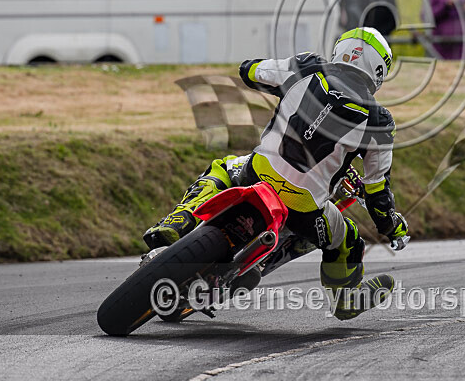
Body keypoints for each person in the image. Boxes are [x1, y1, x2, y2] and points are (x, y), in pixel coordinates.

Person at [143, 27, 409, 320]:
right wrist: (390, 226)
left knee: (222, 168)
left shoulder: (308, 66)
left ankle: (180, 220)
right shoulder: (380, 121)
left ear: (340, 49)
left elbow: (250, 71)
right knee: (348, 240)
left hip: (257, 174)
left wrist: (264, 73)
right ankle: (345, 298)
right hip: (305, 209)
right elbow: (377, 188)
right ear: (380, 69)